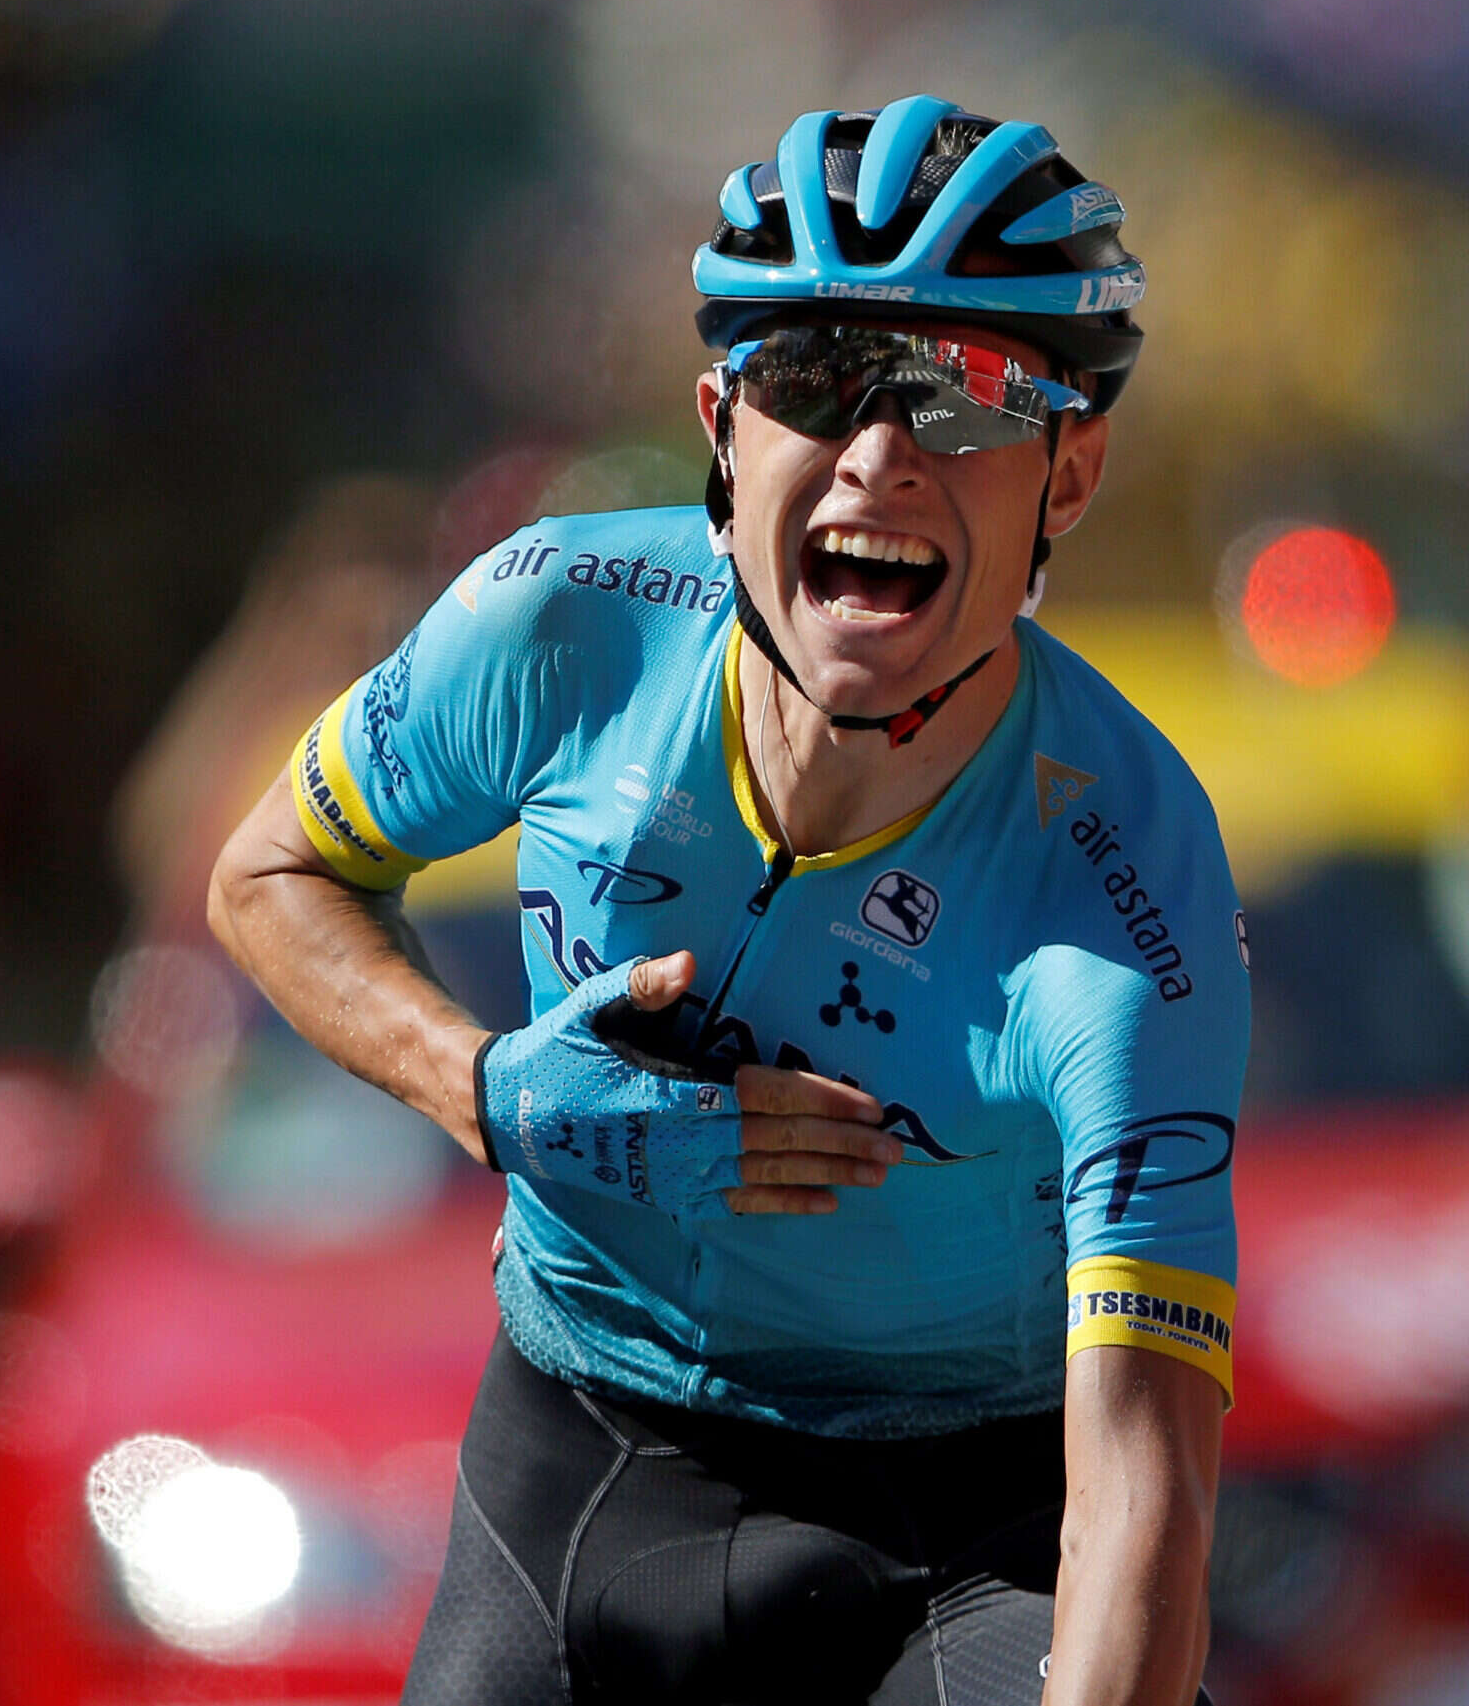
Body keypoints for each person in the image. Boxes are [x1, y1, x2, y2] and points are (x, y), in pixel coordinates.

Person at [208, 97, 1244, 1705]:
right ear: (722, 424)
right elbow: (270, 873)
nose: (880, 454)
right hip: (587, 1449)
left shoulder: (1124, 880)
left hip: (968, 1533)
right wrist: (482, 1087)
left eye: (966, 395)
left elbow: (1143, 1483)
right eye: (815, 379)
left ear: (1071, 472)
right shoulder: (558, 625)